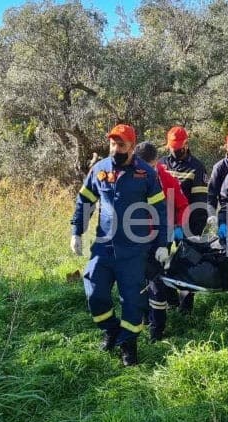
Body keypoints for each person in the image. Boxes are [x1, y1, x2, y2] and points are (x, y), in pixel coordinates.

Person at [70, 124, 168, 366]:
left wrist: (162, 243)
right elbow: (85, 201)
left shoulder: (146, 173)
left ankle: (128, 345)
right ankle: (111, 329)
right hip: (103, 247)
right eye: (113, 144)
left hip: (134, 250)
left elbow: (160, 211)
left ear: (132, 147)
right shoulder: (99, 169)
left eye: (121, 144)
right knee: (94, 289)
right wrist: (77, 231)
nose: (116, 148)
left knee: (132, 300)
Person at [135, 141, 189, 341]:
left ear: (155, 162)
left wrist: (177, 227)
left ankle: (157, 329)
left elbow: (182, 206)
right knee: (138, 281)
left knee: (156, 281)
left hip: (160, 237)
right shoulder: (131, 176)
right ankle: (144, 317)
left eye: (146, 167)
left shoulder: (167, 180)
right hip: (136, 238)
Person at [159, 126, 208, 314]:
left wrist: (193, 232)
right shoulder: (162, 164)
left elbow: (199, 203)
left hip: (188, 223)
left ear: (186, 144)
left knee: (187, 263)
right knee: (162, 262)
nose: (176, 150)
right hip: (163, 224)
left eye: (179, 146)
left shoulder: (196, 167)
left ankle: (185, 307)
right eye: (172, 146)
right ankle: (169, 300)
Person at [207, 130, 228, 240]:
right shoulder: (219, 167)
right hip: (227, 213)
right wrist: (212, 215)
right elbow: (211, 194)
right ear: (227, 147)